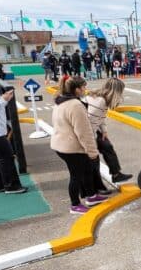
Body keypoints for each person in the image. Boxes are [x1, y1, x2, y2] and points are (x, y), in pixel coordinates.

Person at [50, 76, 108, 214]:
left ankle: (91, 196)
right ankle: (75, 205)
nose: (85, 90)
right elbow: (84, 132)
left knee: (87, 170)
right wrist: (92, 152)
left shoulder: (60, 101)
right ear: (76, 90)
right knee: (76, 175)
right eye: (83, 87)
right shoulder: (75, 105)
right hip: (71, 148)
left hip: (62, 144)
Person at [86, 78, 133, 188]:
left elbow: (100, 118)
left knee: (107, 146)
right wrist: (91, 140)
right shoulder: (100, 101)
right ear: (116, 91)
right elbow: (88, 120)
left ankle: (116, 174)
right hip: (87, 133)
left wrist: (104, 131)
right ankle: (96, 187)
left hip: (93, 130)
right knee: (94, 160)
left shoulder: (102, 98)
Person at [0, 87, 27, 194]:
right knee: (6, 157)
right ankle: (11, 186)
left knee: (1, 157)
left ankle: (0, 184)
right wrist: (4, 99)